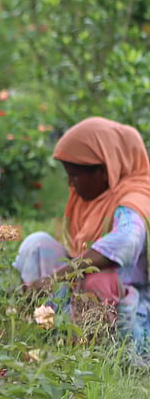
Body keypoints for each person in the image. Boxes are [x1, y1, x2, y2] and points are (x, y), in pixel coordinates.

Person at [14, 116, 150, 365]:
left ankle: (99, 356)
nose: (70, 184)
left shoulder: (134, 200)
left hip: (130, 312)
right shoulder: (92, 197)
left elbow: (125, 243)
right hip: (79, 299)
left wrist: (55, 279)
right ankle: (43, 327)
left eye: (75, 176)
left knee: (99, 275)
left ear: (104, 169)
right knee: (38, 245)